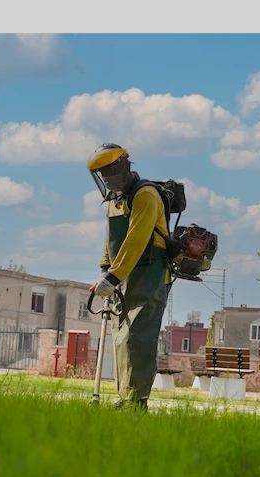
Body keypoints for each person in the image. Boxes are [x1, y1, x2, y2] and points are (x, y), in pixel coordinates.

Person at [87, 143, 171, 411]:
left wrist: (112, 278)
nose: (107, 176)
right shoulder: (115, 200)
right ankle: (125, 397)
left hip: (150, 272)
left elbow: (136, 239)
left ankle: (137, 402)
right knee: (122, 335)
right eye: (103, 172)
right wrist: (105, 268)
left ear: (125, 164)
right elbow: (110, 239)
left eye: (110, 169)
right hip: (123, 274)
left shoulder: (145, 194)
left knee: (139, 335)